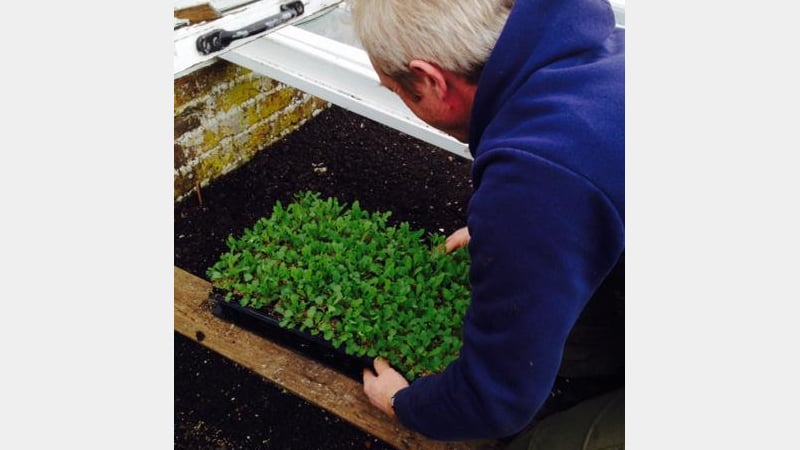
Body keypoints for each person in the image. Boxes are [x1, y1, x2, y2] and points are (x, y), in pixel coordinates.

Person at [352, 0, 625, 445]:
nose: (402, 103)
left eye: (398, 92)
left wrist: (403, 402)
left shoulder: (538, 175)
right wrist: (526, 230)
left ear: (430, 79)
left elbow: (493, 402)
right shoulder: (608, 54)